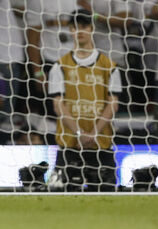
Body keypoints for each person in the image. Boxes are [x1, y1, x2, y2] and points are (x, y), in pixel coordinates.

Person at [48, 10, 121, 191]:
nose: (80, 31)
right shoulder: (59, 66)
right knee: (64, 201)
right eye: (75, 27)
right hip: (70, 144)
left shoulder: (109, 66)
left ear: (92, 28)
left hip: (101, 144)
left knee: (107, 200)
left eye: (84, 27)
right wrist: (79, 133)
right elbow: (58, 104)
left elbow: (113, 103)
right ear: (70, 31)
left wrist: (94, 133)